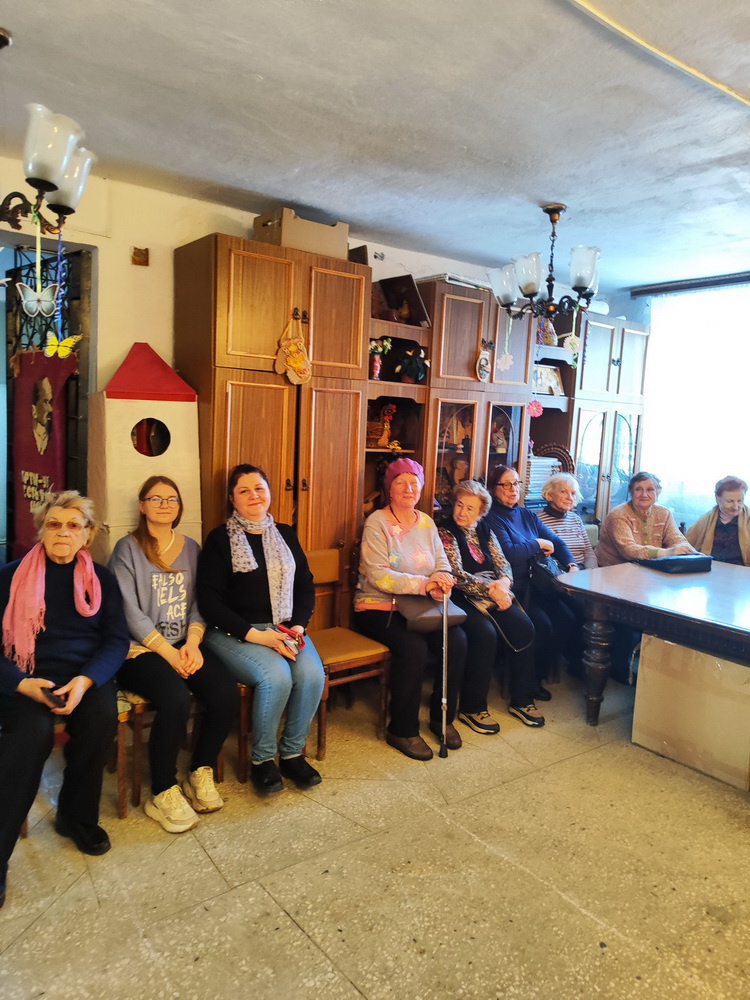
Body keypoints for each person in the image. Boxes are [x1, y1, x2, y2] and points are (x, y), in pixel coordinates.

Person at [0, 491, 129, 909]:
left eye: (74, 525)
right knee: (30, 738)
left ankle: (75, 818)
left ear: (87, 536)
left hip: (81, 675)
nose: (63, 532)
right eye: (53, 524)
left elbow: (116, 639)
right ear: (41, 530)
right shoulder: (9, 577)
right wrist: (21, 684)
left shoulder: (102, 579)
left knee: (100, 721)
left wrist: (86, 681)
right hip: (24, 676)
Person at [110, 476, 238, 834]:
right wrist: (168, 652)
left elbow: (200, 602)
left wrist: (193, 644)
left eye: (172, 499)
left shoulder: (192, 548)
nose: (165, 505)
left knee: (224, 693)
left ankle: (199, 770)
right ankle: (162, 790)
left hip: (186, 643)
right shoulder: (127, 549)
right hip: (140, 651)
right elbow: (129, 612)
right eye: (156, 498)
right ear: (142, 506)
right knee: (175, 698)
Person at [197, 464, 324, 794]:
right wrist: (259, 637)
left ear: (269, 493)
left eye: (259, 488)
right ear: (232, 499)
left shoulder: (286, 534)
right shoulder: (219, 539)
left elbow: (305, 587)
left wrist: (297, 628)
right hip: (233, 633)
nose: (254, 495)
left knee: (312, 675)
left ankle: (292, 754)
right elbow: (210, 603)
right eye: (244, 490)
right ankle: (263, 760)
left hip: (285, 628)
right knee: (276, 677)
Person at [354, 458, 467, 760]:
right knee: (413, 648)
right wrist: (425, 584)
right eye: (400, 482)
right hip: (379, 607)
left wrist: (442, 580)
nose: (408, 488)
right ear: (389, 489)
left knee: (457, 642)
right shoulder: (377, 522)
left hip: (421, 607)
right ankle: (402, 729)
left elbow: (442, 563)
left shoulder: (427, 522)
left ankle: (442, 718)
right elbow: (377, 574)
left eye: (414, 483)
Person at [438, 481, 544, 729]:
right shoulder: (445, 531)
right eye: (459, 505)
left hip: (494, 591)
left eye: (470, 508)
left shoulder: (485, 528)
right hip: (459, 596)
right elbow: (456, 574)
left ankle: (521, 699)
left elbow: (502, 562)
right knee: (485, 634)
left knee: (524, 626)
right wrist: (493, 592)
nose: (462, 512)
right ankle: (472, 708)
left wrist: (504, 584)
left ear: (481, 512)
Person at [485, 465, 582, 694]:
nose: (513, 489)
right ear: (493, 488)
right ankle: (528, 683)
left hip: (539, 584)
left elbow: (556, 542)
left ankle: (540, 673)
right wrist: (537, 544)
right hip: (514, 588)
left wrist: (572, 564)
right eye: (506, 484)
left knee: (568, 619)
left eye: (516, 483)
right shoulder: (491, 518)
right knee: (543, 625)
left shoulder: (526, 515)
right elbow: (509, 554)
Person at [595, 471, 695, 567]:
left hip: (649, 568)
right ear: (631, 492)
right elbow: (629, 550)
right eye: (638, 489)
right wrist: (668, 552)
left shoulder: (664, 513)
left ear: (657, 493)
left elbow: (677, 539)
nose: (644, 494)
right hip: (612, 570)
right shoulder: (618, 514)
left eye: (650, 489)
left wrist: (692, 553)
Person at [686, 476, 750, 566]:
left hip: (742, 570)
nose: (735, 507)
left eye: (740, 501)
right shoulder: (705, 520)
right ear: (718, 499)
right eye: (730, 501)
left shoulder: (748, 520)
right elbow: (687, 545)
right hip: (709, 568)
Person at [537, 473, 597, 569]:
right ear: (550, 495)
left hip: (582, 571)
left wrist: (591, 572)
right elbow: (543, 559)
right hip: (558, 572)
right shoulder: (538, 521)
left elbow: (589, 553)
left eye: (573, 494)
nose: (569, 497)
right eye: (563, 492)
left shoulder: (576, 519)